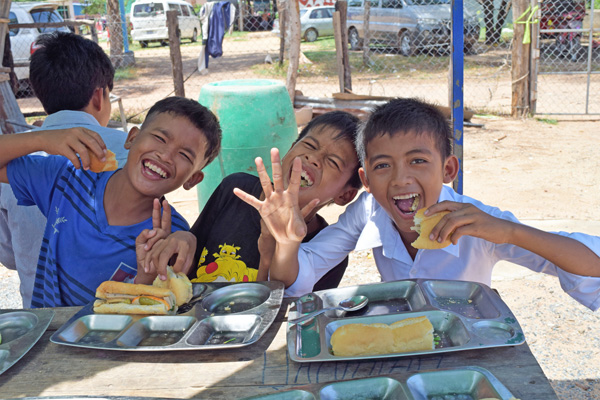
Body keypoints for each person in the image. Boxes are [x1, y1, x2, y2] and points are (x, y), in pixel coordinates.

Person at [236, 98, 600, 310]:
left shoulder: (479, 223)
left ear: (448, 169)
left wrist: (509, 231)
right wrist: (286, 245)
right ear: (365, 181)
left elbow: (592, 268)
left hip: (470, 353)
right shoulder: (368, 212)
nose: (399, 180)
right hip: (405, 346)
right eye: (382, 166)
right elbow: (299, 278)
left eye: (418, 161)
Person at [0, 96, 222, 308]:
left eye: (184, 155)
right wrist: (42, 139)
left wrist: (145, 281)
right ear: (132, 138)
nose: (165, 155)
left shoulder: (168, 238)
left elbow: (147, 317)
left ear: (192, 179)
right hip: (48, 340)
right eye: (160, 138)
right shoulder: (69, 177)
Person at [137, 111, 362, 290]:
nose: (313, 158)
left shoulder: (326, 252)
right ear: (290, 149)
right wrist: (177, 246)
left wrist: (271, 252)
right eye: (309, 146)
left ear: (345, 195)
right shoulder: (235, 190)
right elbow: (193, 263)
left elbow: (285, 322)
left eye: (333, 162)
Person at [0, 31, 128, 308]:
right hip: (121, 310)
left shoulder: (14, 159)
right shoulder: (129, 149)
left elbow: (9, 256)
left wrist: (37, 140)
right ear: (99, 96)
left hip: (40, 321)